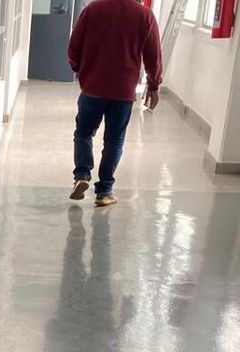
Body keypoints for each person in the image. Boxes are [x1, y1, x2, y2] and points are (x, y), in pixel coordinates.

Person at [67, 0, 163, 207]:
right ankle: (104, 191)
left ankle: (82, 175)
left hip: (93, 86)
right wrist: (154, 84)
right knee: (114, 141)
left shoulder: (93, 9)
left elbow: (74, 45)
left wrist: (80, 69)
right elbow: (153, 54)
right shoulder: (145, 15)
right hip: (123, 91)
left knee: (83, 132)